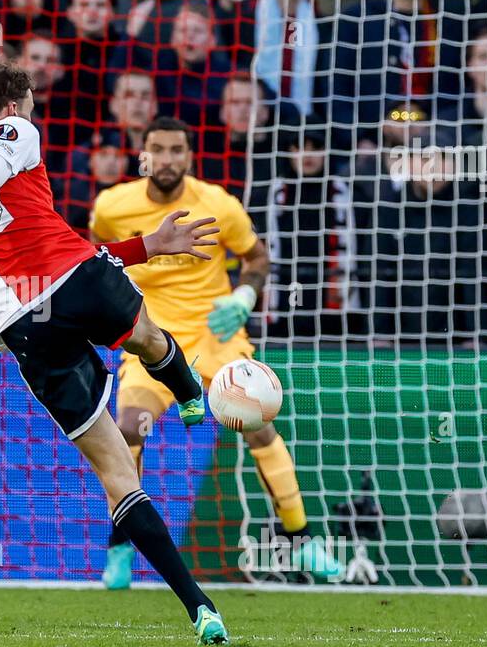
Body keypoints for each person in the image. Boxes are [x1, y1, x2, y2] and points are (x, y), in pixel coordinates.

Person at [0, 59, 232, 644]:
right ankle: (191, 392)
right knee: (149, 338)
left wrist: (148, 243)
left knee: (116, 473)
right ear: (13, 106)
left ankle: (199, 607)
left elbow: (33, 234)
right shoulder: (11, 133)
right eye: (33, 100)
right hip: (69, 281)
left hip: (24, 326)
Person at [91, 117, 345, 587]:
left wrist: (242, 298)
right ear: (141, 153)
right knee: (128, 428)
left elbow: (257, 257)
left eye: (176, 150)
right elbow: (96, 256)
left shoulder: (217, 204)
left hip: (216, 336)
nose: (166, 159)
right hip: (150, 336)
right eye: (157, 149)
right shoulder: (112, 206)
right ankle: (121, 548)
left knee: (260, 427)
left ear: (189, 156)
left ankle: (303, 540)